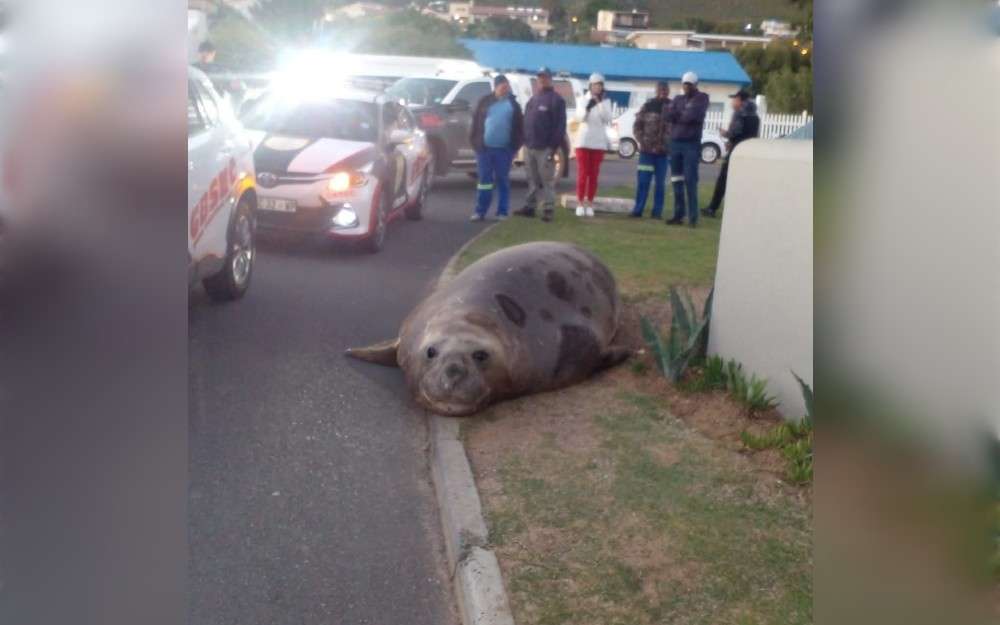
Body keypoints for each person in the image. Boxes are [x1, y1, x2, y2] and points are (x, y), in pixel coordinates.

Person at [468, 75, 524, 222]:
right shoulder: (484, 102)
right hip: (484, 150)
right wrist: (475, 143)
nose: (505, 88)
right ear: (496, 87)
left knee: (503, 180)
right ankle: (480, 211)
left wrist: (515, 148)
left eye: (507, 86)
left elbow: (520, 128)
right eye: (502, 86)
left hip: (504, 150)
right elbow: (475, 124)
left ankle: (502, 212)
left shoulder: (514, 105)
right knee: (484, 181)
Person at [514, 67, 566, 223]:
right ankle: (530, 207)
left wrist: (553, 147)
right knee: (532, 179)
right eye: (539, 77)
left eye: (544, 77)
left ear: (550, 79)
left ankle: (548, 210)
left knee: (547, 180)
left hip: (545, 148)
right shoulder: (533, 99)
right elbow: (527, 121)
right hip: (530, 146)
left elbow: (560, 127)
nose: (542, 80)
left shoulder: (556, 100)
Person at [702, 89, 760, 218]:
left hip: (736, 151)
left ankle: (712, 208)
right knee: (742, 182)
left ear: (740, 100)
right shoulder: (755, 116)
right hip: (749, 151)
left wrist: (725, 134)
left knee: (723, 180)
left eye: (734, 99)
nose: (733, 102)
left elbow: (735, 131)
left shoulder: (740, 113)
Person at [666, 71, 709, 228]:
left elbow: (693, 116)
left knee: (690, 180)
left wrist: (679, 113)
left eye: (689, 84)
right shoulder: (678, 98)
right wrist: (681, 113)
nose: (686, 87)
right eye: (685, 84)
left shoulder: (702, 98)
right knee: (676, 180)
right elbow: (668, 115)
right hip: (675, 143)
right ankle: (678, 215)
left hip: (691, 144)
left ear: (695, 85)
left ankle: (692, 217)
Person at [629, 80, 672, 219]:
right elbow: (637, 126)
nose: (663, 93)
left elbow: (676, 129)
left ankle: (657, 213)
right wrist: (642, 141)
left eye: (665, 90)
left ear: (668, 92)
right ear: (656, 91)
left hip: (663, 154)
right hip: (646, 152)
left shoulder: (673, 107)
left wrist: (668, 145)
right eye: (660, 90)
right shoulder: (648, 106)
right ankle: (638, 210)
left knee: (660, 184)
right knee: (643, 182)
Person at [573, 73, 612, 218]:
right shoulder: (582, 99)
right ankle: (579, 203)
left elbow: (607, 118)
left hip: (598, 142)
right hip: (583, 141)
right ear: (590, 85)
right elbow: (580, 117)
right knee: (583, 173)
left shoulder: (605, 102)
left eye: (600, 85)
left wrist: (599, 103)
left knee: (593, 174)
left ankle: (590, 203)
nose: (598, 87)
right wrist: (589, 106)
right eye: (595, 84)